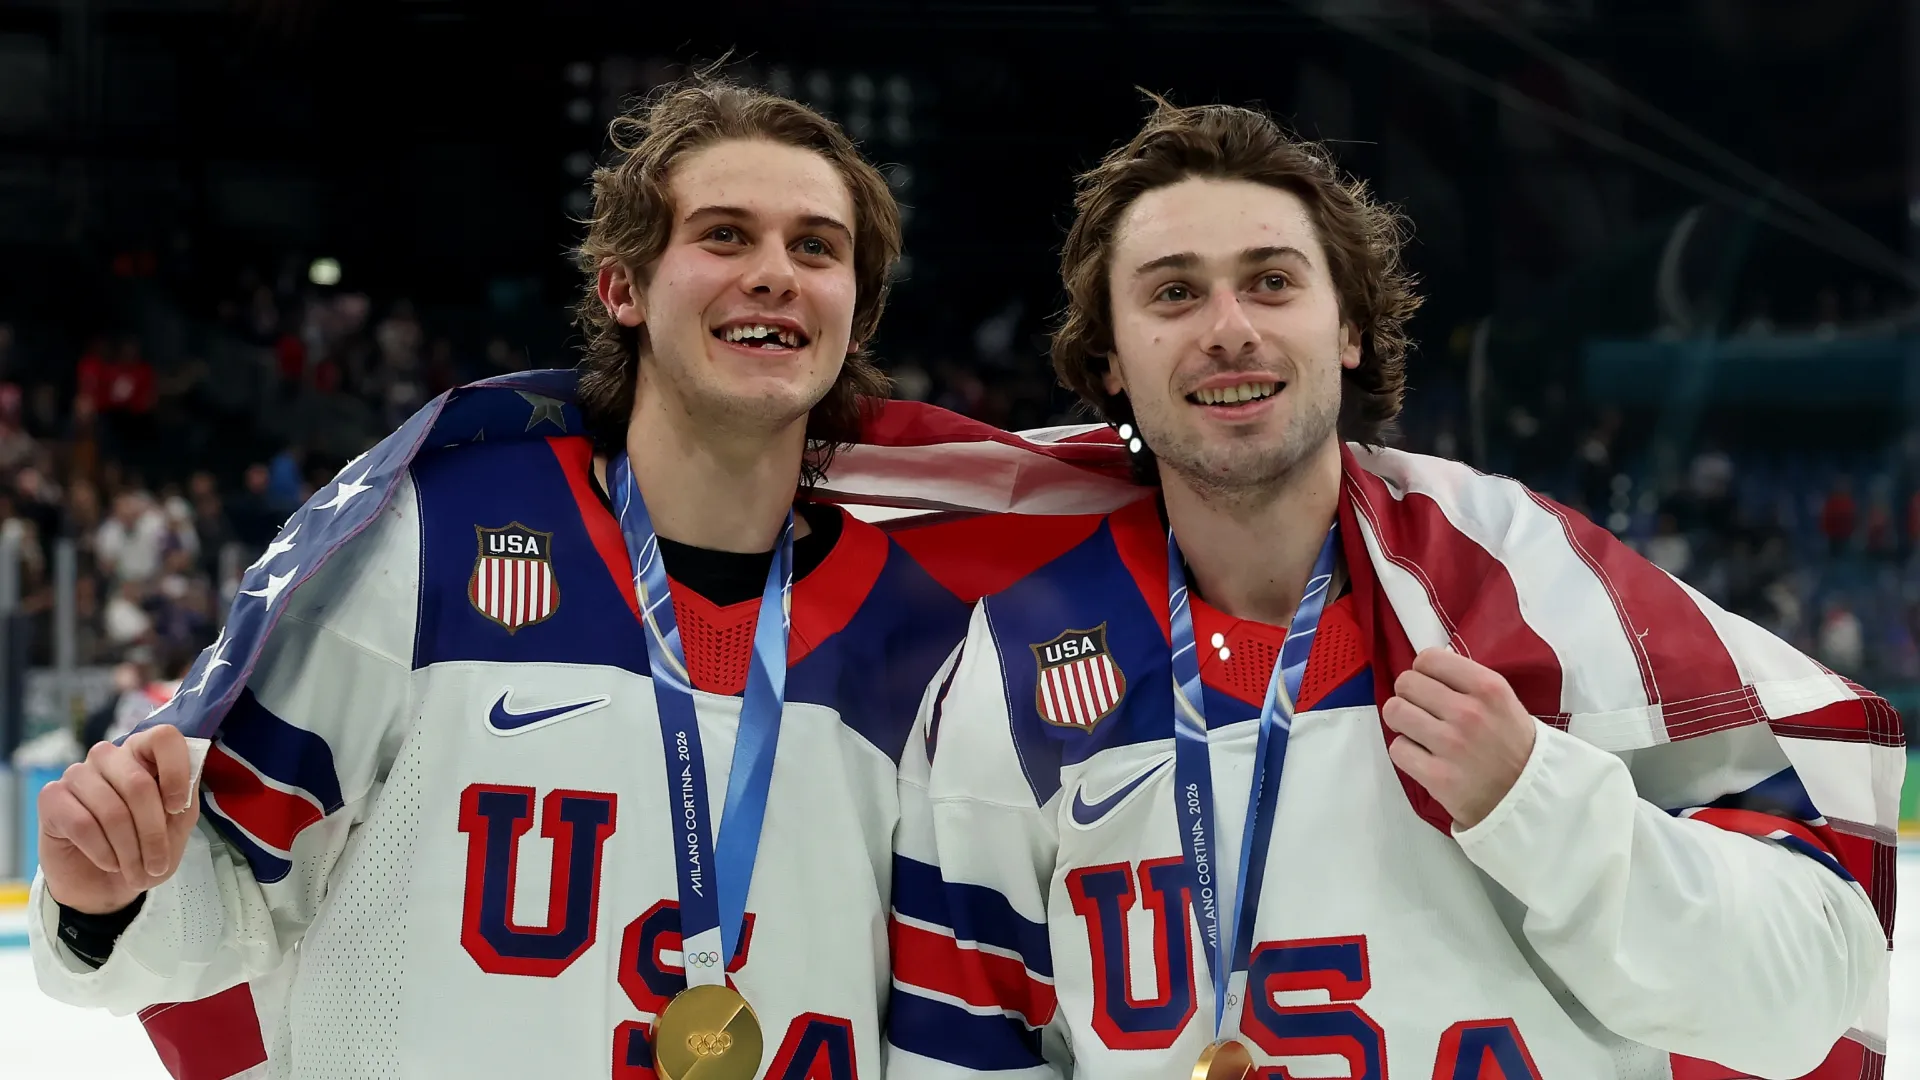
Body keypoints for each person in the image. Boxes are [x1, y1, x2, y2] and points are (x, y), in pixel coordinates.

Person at [886, 99, 1895, 1079]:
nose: (1229, 328)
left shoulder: (1530, 588)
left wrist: (1541, 806)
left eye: (1272, 281)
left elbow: (1813, 986)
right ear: (1110, 358)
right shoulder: (1017, 666)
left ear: (1351, 330)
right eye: (1175, 293)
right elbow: (962, 1054)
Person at [29, 76, 983, 1079]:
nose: (776, 274)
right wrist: (108, 896)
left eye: (816, 248)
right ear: (622, 290)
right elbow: (221, 899)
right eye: (724, 235)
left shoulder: (928, 642)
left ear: (857, 316)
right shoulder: (428, 536)